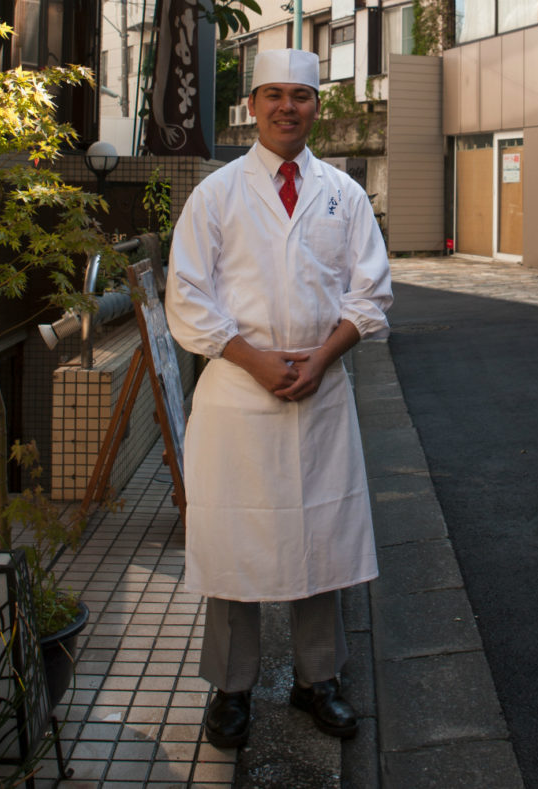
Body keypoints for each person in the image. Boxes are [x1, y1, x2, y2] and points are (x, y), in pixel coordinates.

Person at [164, 48, 393, 749]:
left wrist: (323, 358)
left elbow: (371, 292)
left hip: (319, 392)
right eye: (274, 94)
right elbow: (188, 296)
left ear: (316, 106)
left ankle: (316, 679)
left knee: (319, 537)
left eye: (301, 94)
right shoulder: (218, 193)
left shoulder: (343, 194)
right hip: (238, 392)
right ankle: (231, 689)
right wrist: (255, 359)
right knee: (235, 540)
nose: (287, 106)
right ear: (252, 105)